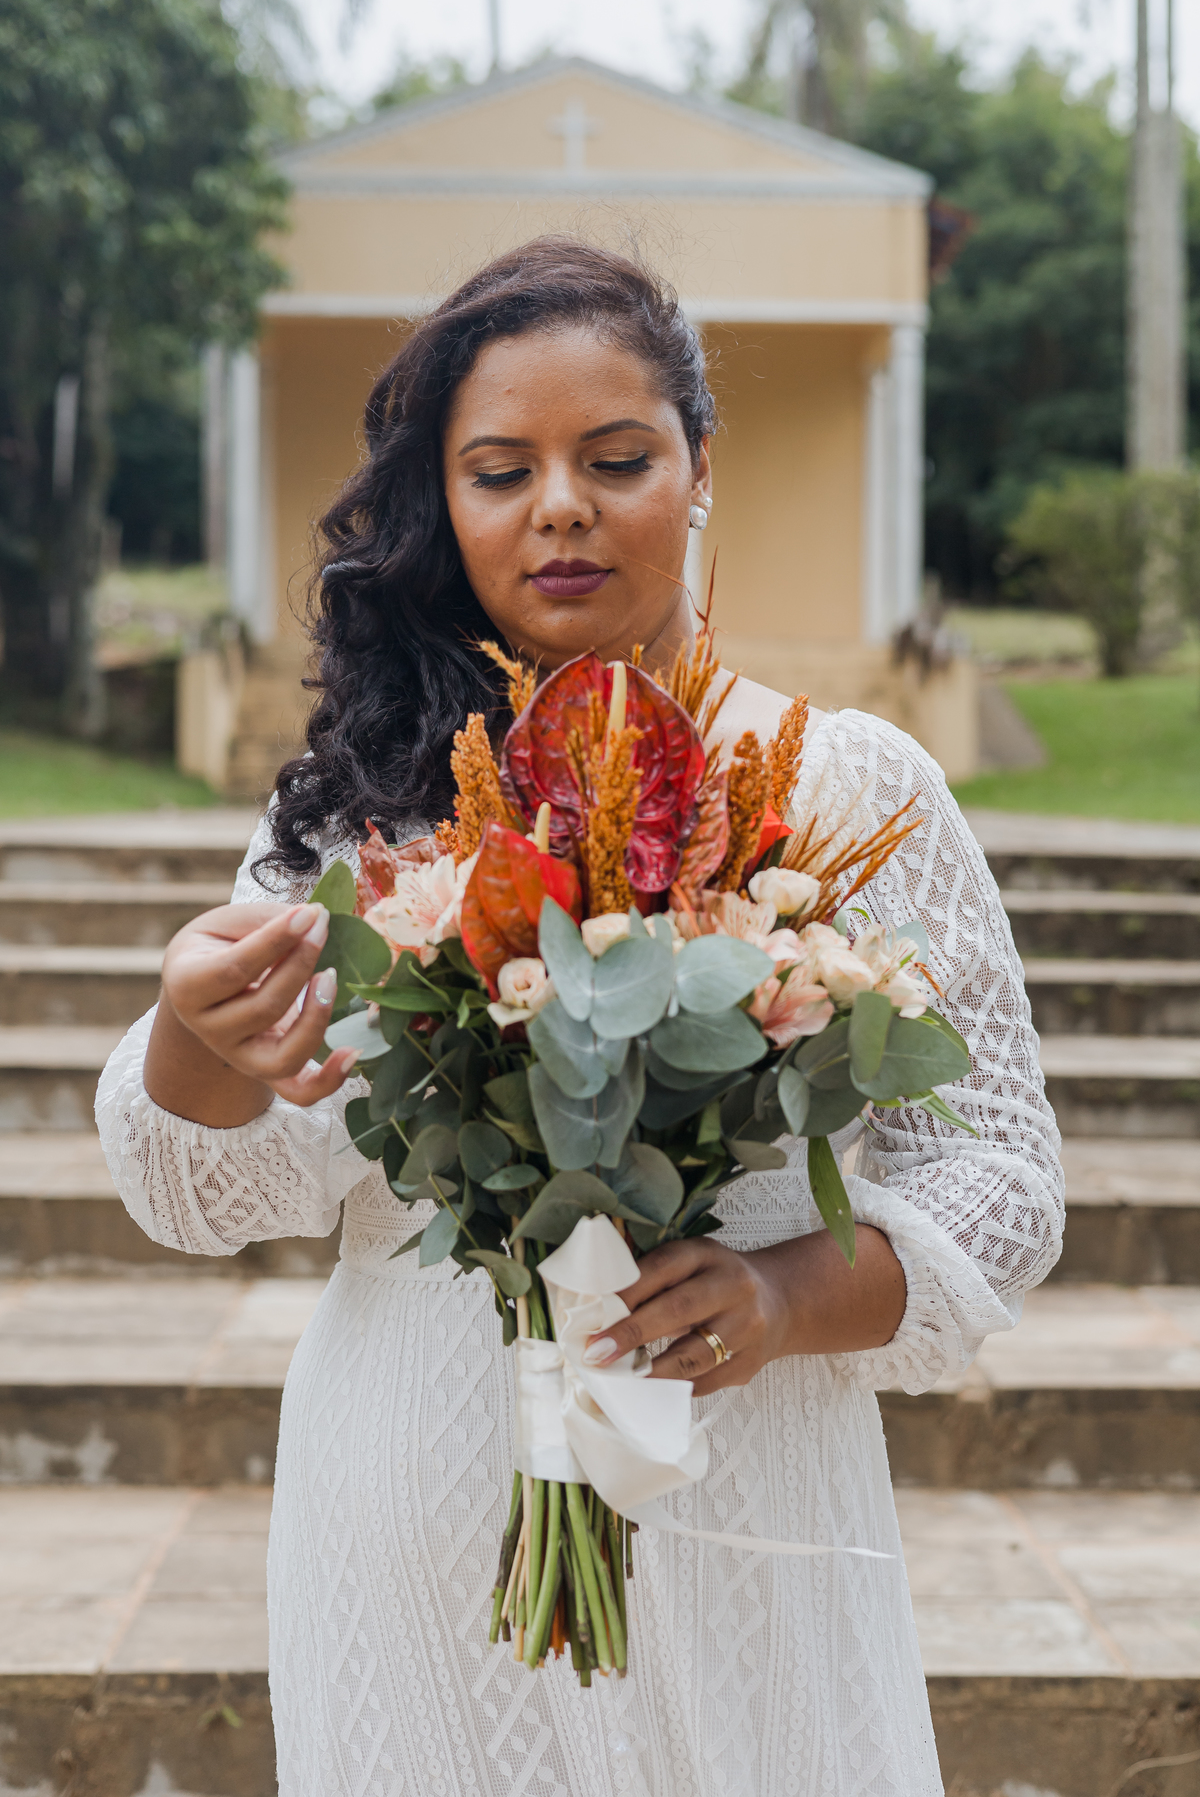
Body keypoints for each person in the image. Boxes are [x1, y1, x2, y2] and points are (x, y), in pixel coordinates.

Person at [96, 238, 1063, 1797]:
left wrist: (779, 1298)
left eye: (615, 458)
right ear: (445, 507)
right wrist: (195, 1048)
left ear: (695, 472)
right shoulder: (371, 806)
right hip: (422, 1518)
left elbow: (998, 1177)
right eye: (500, 471)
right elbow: (225, 1191)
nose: (560, 504)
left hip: (748, 1507)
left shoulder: (855, 793)